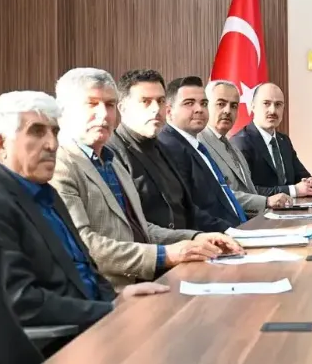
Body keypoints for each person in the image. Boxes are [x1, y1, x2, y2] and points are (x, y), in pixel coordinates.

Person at [0, 91, 168, 333]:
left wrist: (119, 299)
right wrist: (109, 310)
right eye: (37, 131)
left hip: (92, 322)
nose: (52, 144)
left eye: (54, 132)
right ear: (1, 144)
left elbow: (85, 273)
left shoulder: (46, 194)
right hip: (55, 344)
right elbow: (19, 302)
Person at [50, 68, 241, 287]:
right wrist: (165, 255)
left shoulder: (110, 161)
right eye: (92, 104)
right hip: (106, 293)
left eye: (109, 105)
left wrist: (195, 238)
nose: (103, 114)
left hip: (146, 281)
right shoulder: (59, 165)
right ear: (63, 112)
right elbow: (82, 243)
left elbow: (140, 228)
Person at [109, 69, 230, 232]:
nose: (156, 109)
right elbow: (130, 226)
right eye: (145, 101)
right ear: (123, 108)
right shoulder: (110, 154)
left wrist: (230, 232)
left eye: (160, 101)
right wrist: (191, 239)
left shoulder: (165, 148)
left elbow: (187, 210)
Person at [157, 76, 246, 230]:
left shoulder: (195, 145)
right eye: (189, 103)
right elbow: (186, 210)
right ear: (169, 111)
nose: (199, 109)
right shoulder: (169, 147)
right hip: (215, 237)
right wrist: (231, 232)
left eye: (204, 103)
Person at [199, 79, 290, 217]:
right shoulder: (199, 144)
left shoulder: (232, 146)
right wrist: (266, 202)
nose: (227, 111)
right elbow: (216, 195)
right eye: (221, 104)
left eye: (234, 106)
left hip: (253, 222)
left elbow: (249, 191)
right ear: (205, 106)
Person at [232, 82, 312, 197]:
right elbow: (246, 191)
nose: (273, 110)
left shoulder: (283, 140)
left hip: (292, 207)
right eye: (266, 103)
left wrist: (309, 183)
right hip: (260, 209)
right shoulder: (241, 142)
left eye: (278, 104)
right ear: (252, 106)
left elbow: (302, 176)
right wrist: (293, 190)